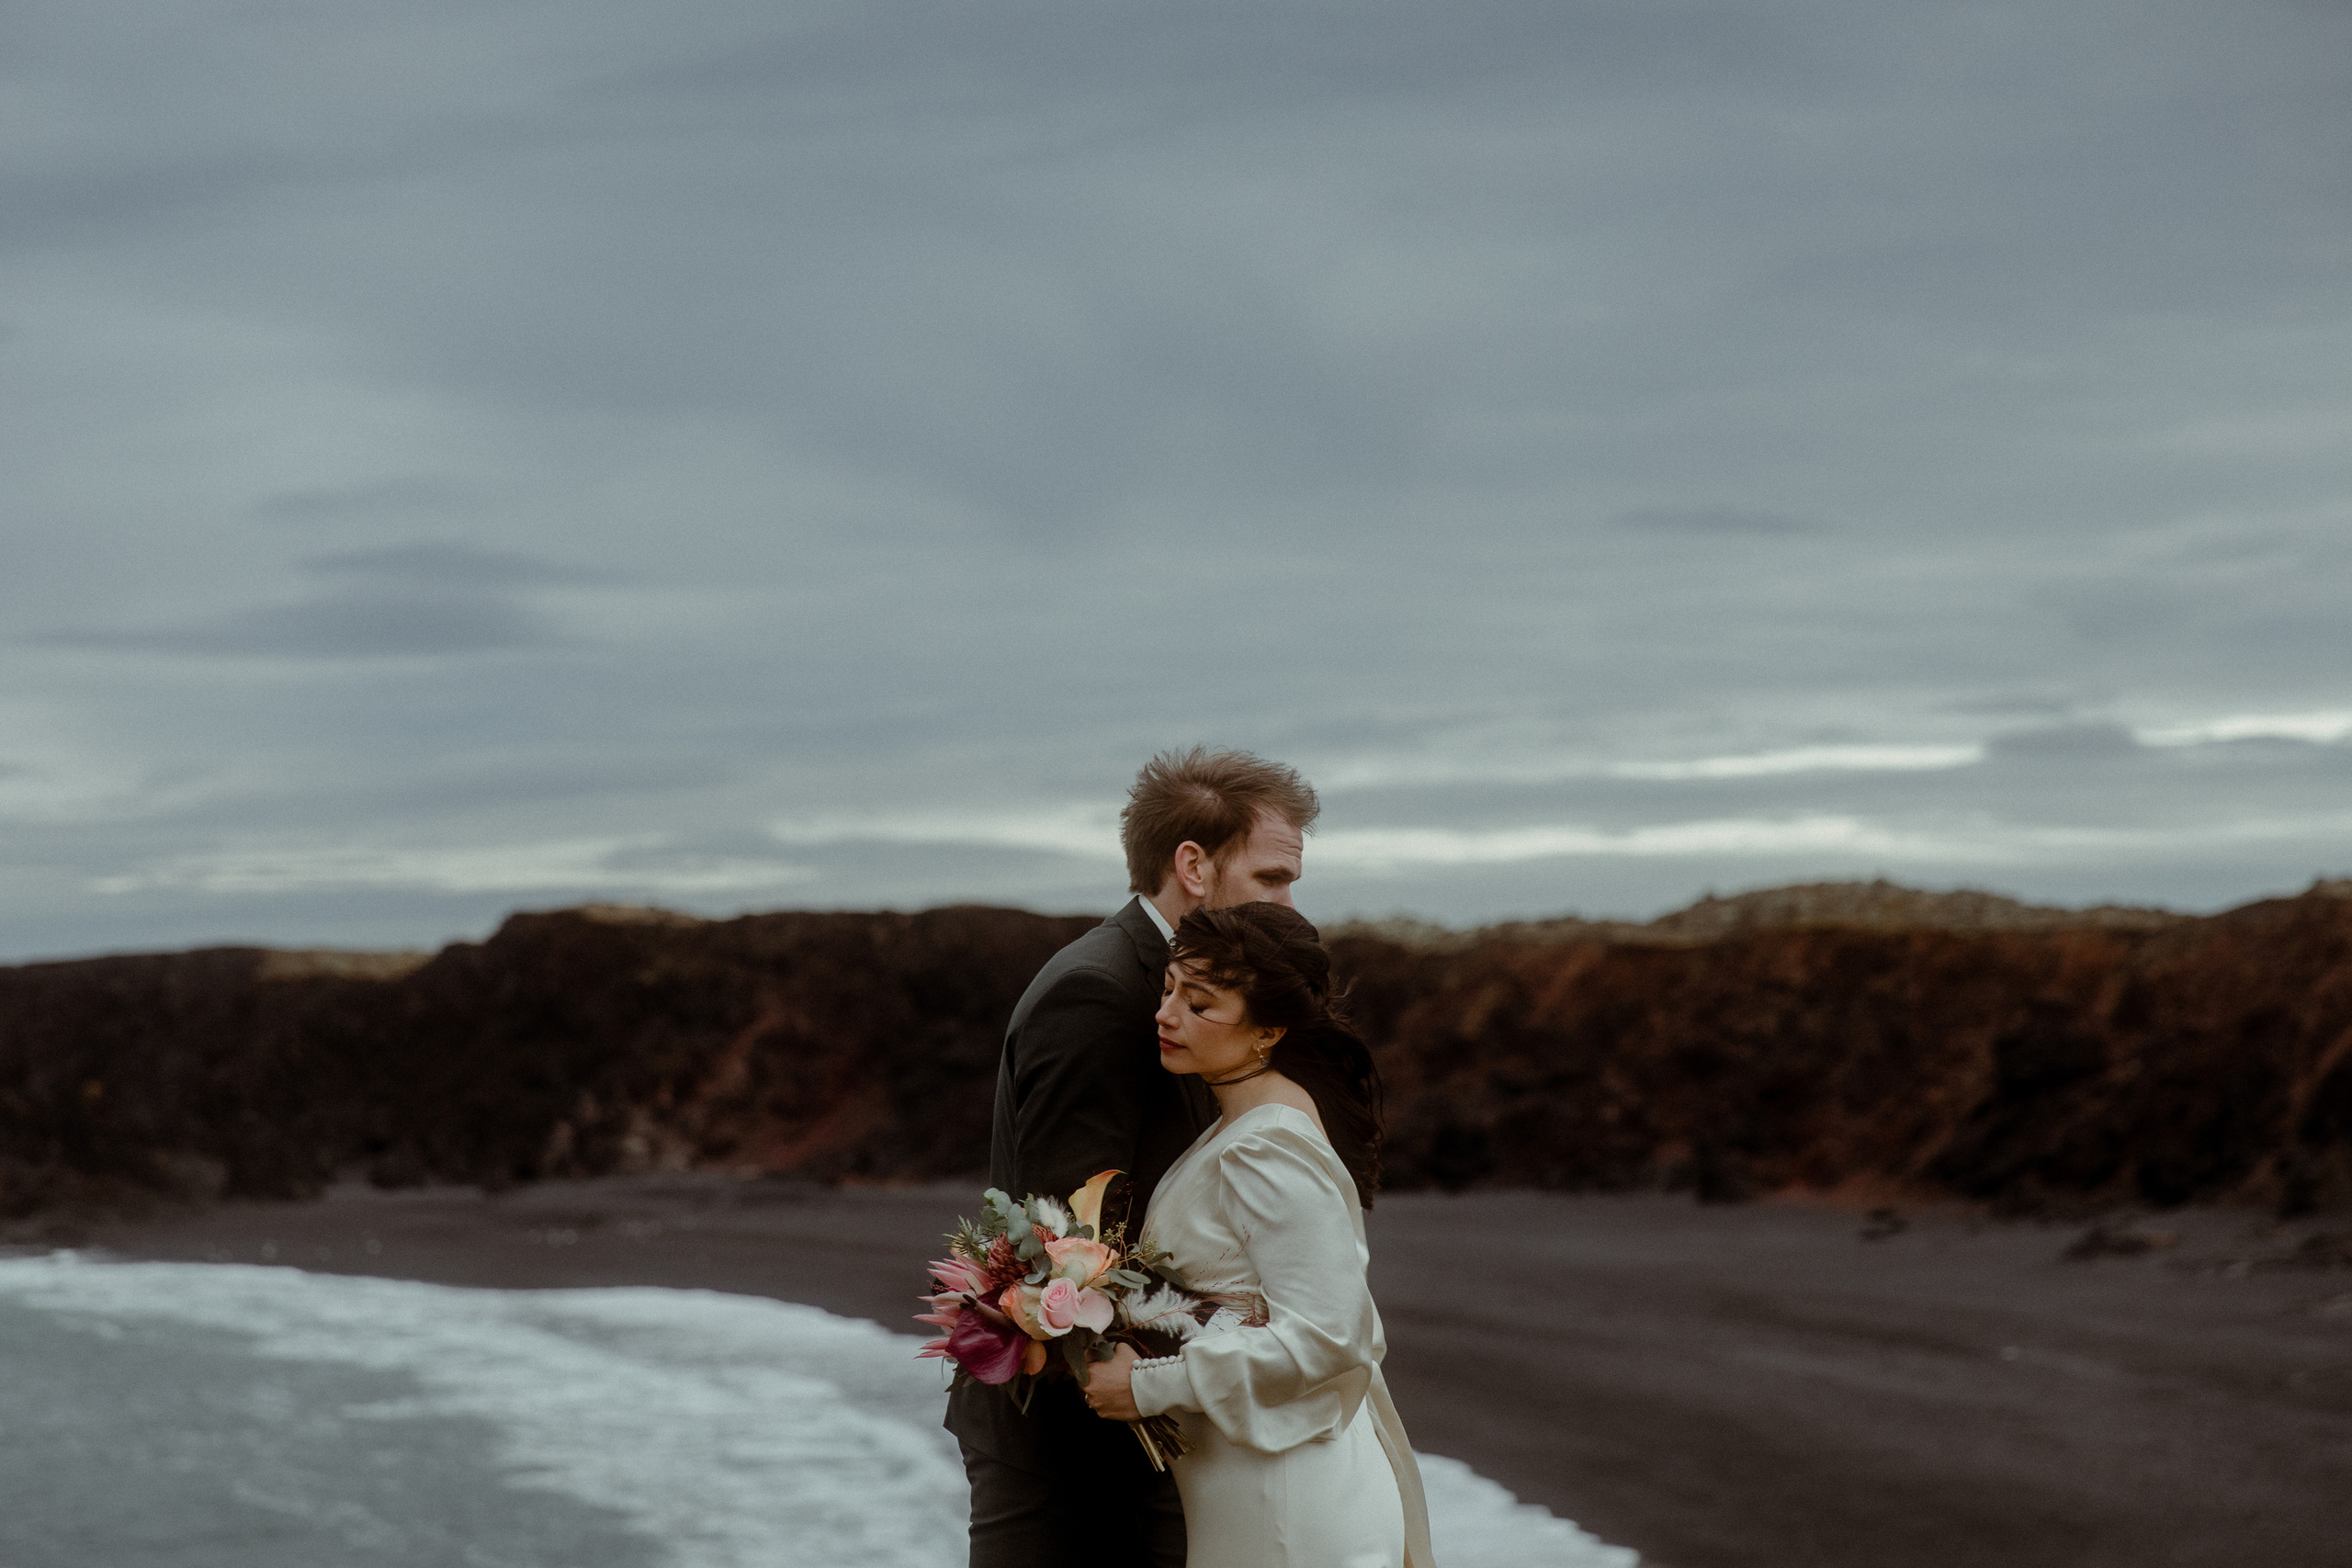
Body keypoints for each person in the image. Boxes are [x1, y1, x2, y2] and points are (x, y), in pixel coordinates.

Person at [946, 746, 1322, 1568]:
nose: (1290, 904)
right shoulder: (1102, 995)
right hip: (1073, 1440)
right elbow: (1067, 1246)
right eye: (1270, 878)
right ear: (1192, 864)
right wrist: (1241, 1332)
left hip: (1140, 1418)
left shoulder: (1185, 993)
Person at [1080, 901, 1436, 1568]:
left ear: (1268, 1027)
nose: (1166, 1014)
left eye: (1202, 1004)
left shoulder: (1265, 1144)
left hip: (1289, 1509)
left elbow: (1331, 1333)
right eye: (1169, 989)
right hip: (1265, 1489)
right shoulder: (1243, 1120)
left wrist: (1149, 1385)